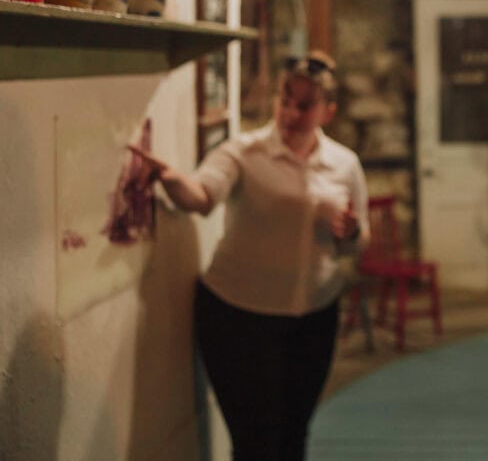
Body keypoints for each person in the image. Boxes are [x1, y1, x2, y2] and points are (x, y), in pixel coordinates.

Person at [131, 51, 369, 461]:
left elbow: (358, 238)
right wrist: (170, 179)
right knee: (255, 442)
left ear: (327, 111)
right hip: (239, 316)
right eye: (285, 100)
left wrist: (350, 233)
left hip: (314, 317)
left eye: (304, 105)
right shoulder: (244, 152)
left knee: (293, 435)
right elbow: (202, 195)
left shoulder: (344, 164)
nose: (290, 112)